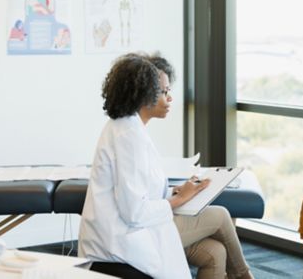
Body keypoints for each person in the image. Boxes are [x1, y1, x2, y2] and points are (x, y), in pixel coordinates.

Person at [78, 52, 253, 279]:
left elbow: (139, 191)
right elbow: (134, 212)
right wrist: (179, 199)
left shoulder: (128, 128)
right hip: (122, 241)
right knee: (220, 216)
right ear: (144, 94)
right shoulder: (128, 136)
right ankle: (244, 277)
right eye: (163, 92)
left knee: (216, 253)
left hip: (132, 231)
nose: (168, 98)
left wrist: (176, 192)